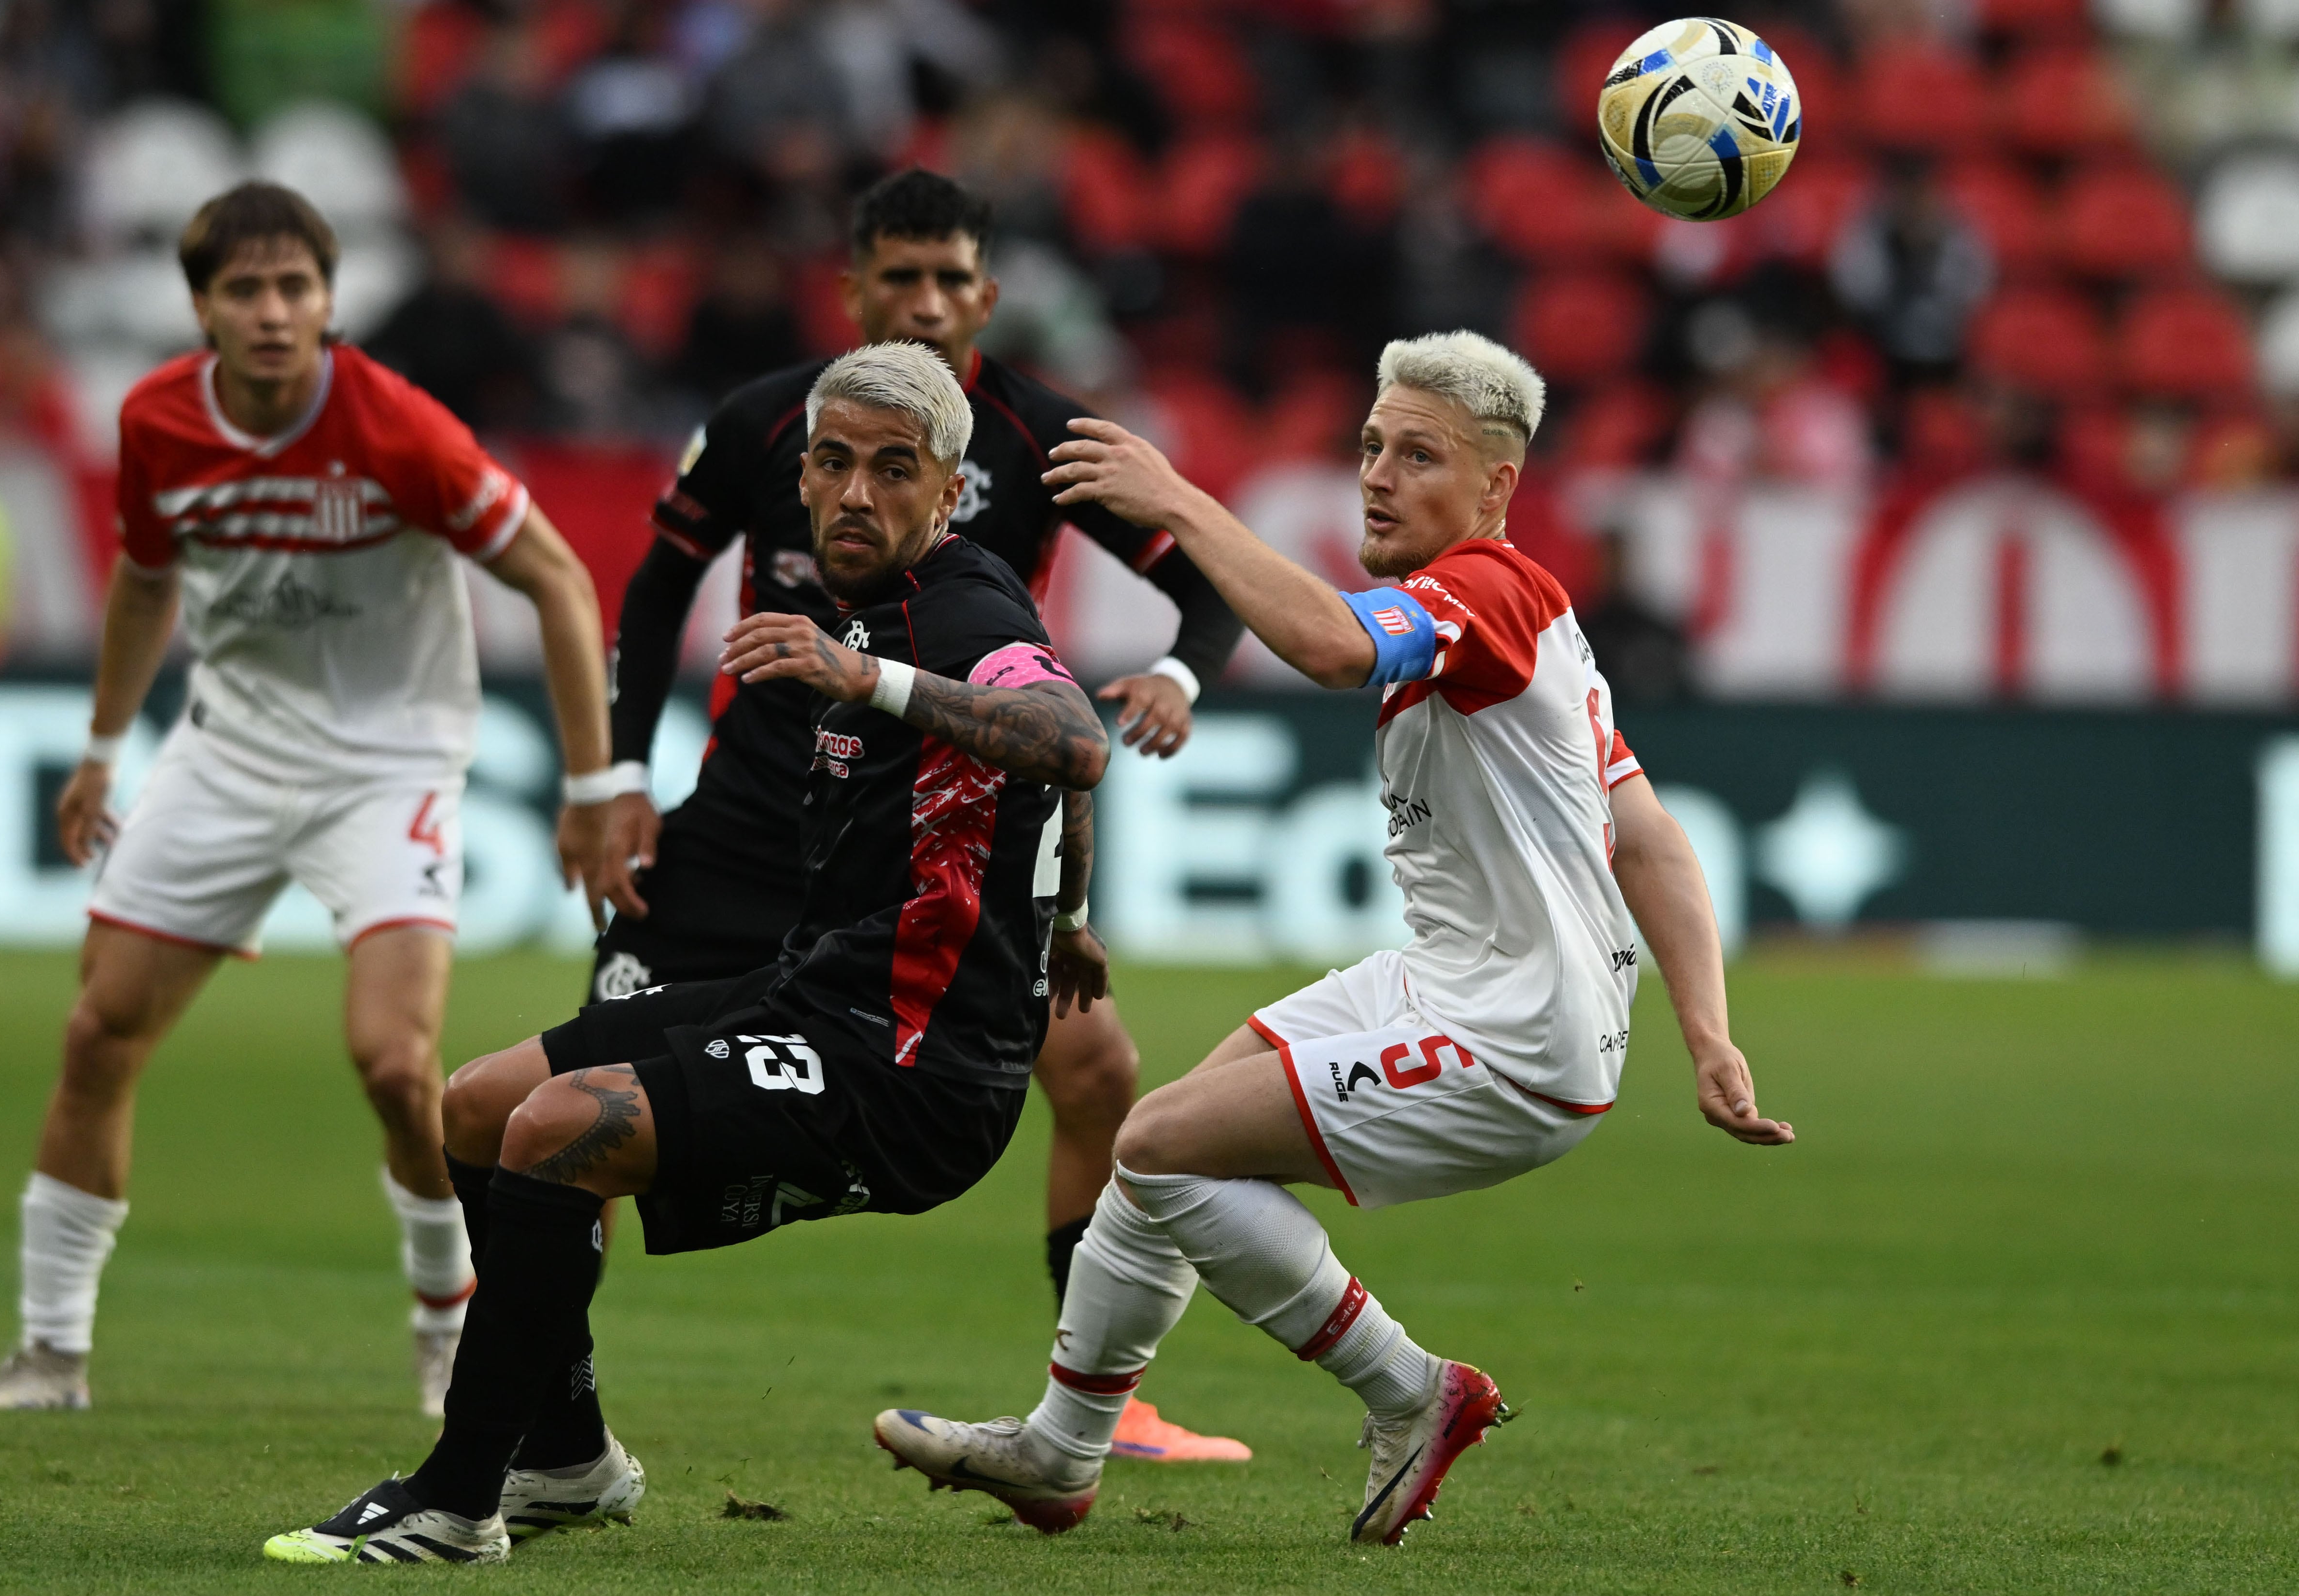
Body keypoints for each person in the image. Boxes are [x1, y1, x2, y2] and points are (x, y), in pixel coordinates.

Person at [872, 331, 1796, 1544]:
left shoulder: (1489, 592)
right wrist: (1707, 1037)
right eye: (1369, 446)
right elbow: (1653, 841)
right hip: (1447, 982)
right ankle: (1060, 1450)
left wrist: (1181, 505)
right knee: (1161, 1159)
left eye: (1418, 455)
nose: (1375, 474)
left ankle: (1411, 1391)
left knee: (1154, 1145)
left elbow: (1327, 647)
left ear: (1495, 488)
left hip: (1515, 1027)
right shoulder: (1538, 628)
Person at [265, 340, 1110, 1565]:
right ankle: (567, 1458)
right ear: (803, 479)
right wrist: (1070, 916)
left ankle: (455, 1500)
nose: (856, 494)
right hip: (821, 997)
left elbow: (1071, 739)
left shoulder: (955, 607)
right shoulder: (876, 603)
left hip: (910, 1072)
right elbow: (1053, 781)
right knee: (477, 1107)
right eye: (833, 465)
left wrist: (863, 677)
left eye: (893, 469)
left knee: (559, 1131)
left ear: (946, 492)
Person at [592, 168, 1248, 1461]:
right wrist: (617, 775)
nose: (926, 300)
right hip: (747, 816)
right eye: (900, 276)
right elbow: (656, 591)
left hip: (923, 834)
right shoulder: (766, 422)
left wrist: (1179, 672)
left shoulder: (1044, 435)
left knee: (1105, 1071)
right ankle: (547, 1388)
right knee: (585, 1076)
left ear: (987, 296)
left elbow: (1208, 590)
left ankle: (1101, 1408)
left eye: (951, 277)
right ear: (852, 291)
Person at [0, 183, 615, 1417]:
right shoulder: (155, 420)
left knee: (391, 1061)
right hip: (228, 756)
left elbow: (560, 582)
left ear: (329, 298)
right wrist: (102, 747)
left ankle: (444, 1322)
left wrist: (591, 787)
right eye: (245, 291)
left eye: (296, 288)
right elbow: (146, 582)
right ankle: (51, 1354)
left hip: (389, 765)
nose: (273, 313)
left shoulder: (398, 429)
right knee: (98, 1035)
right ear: (201, 307)